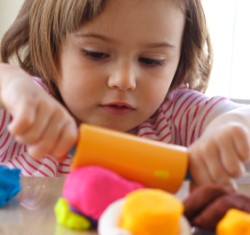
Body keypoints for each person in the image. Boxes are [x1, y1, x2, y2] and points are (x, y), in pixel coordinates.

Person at [0, 0, 249, 187]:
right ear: (52, 47)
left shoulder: (176, 115)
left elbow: (241, 116)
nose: (124, 80)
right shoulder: (23, 113)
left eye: (152, 60)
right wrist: (12, 84)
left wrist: (231, 130)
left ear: (179, 61)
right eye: (96, 54)